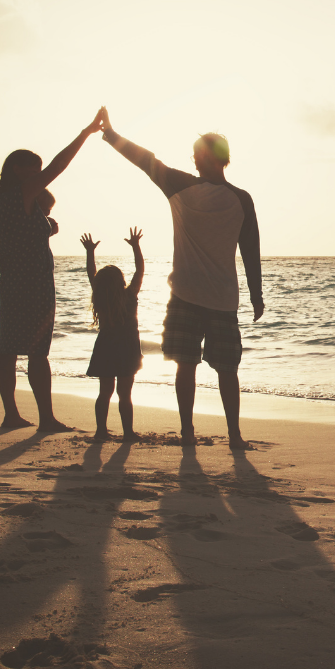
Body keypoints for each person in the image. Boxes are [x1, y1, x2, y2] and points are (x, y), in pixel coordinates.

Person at [99, 107, 263, 451]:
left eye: (198, 152)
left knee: (216, 368)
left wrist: (257, 293)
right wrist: (112, 135)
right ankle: (196, 432)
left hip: (208, 298)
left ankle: (223, 434)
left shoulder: (227, 196)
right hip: (201, 297)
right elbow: (144, 159)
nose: (194, 157)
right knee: (202, 367)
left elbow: (250, 248)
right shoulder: (205, 190)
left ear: (214, 157)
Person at [0, 110, 102, 431]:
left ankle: (12, 415)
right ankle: (46, 420)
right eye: (34, 170)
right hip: (32, 286)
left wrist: (46, 227)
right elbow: (59, 166)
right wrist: (86, 132)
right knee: (37, 352)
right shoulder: (21, 193)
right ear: (17, 170)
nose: (40, 175)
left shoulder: (6, 202)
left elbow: (14, 237)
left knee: (10, 348)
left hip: (14, 284)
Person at [80, 227, 144, 442]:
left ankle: (100, 431)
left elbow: (91, 274)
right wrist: (136, 247)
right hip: (127, 351)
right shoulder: (129, 295)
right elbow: (140, 271)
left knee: (105, 392)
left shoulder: (100, 298)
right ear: (121, 281)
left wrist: (90, 252)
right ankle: (128, 433)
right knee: (125, 395)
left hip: (105, 348)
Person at [0, 189, 57, 295]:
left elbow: (54, 227)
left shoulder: (46, 220)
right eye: (44, 209)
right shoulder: (17, 214)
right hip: (7, 245)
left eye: (49, 210)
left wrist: (49, 231)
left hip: (24, 253)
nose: (47, 213)